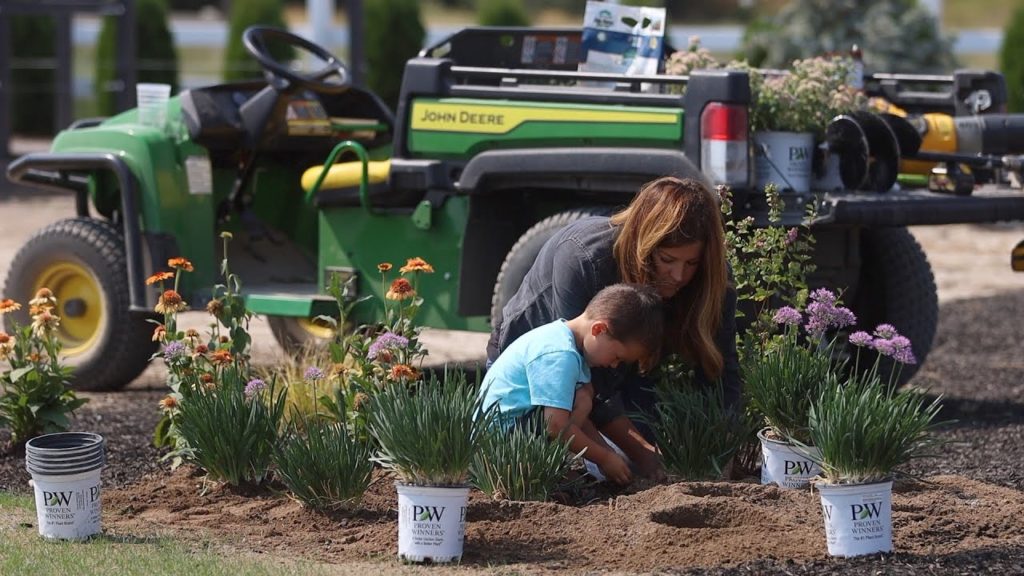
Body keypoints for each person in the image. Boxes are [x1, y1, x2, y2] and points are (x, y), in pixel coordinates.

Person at [487, 176, 740, 482]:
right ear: (644, 247)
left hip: (615, 370)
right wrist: (632, 454)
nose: (678, 275)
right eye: (667, 260)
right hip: (538, 386)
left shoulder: (710, 278)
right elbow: (584, 386)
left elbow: (722, 368)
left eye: (691, 263)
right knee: (547, 467)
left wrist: (722, 449)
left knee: (631, 462)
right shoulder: (585, 257)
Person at [479, 283, 665, 485]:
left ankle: (549, 472)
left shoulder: (567, 344)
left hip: (516, 434)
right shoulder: (560, 355)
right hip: (498, 448)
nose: (613, 365)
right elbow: (556, 426)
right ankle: (530, 475)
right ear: (599, 329)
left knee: (584, 398)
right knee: (582, 401)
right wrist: (604, 458)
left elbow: (575, 421)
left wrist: (609, 456)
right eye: (617, 357)